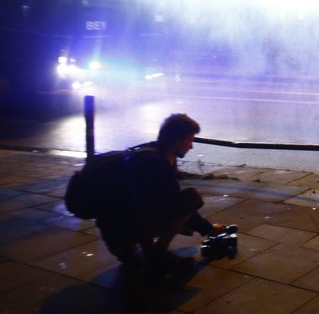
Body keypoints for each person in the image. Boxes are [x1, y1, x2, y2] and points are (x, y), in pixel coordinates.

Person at [96, 113, 227, 276]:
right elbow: (172, 205)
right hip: (120, 228)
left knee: (164, 205)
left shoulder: (154, 153)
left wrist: (205, 228)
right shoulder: (155, 163)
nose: (191, 147)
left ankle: (139, 249)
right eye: (190, 140)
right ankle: (157, 254)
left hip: (117, 224)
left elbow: (152, 202)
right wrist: (206, 228)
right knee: (190, 197)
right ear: (177, 140)